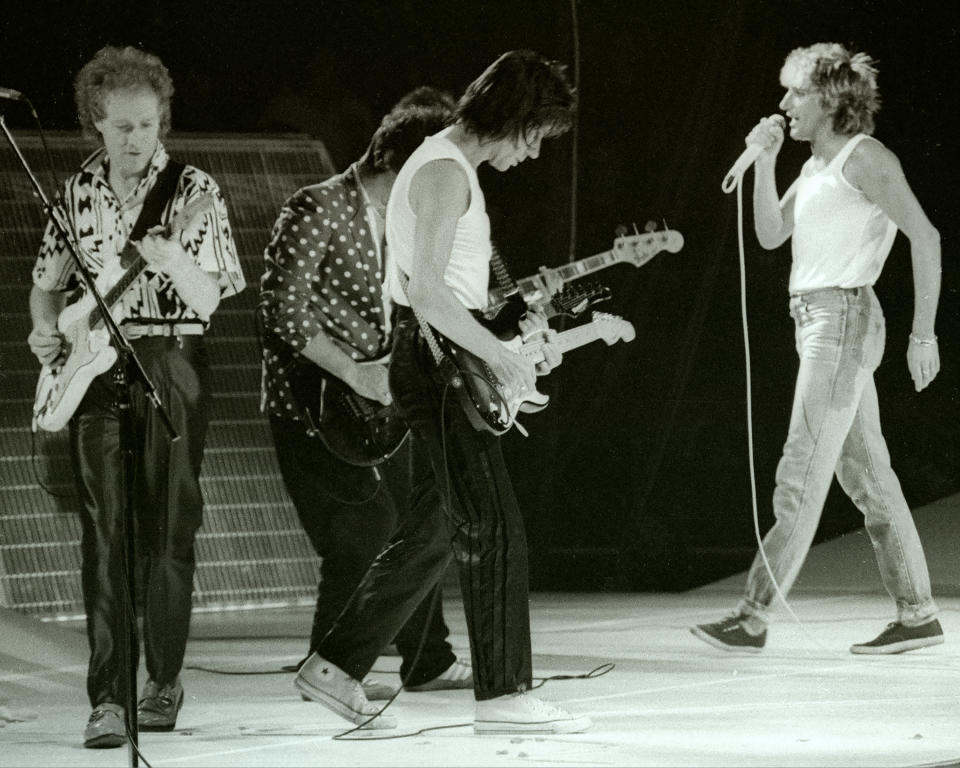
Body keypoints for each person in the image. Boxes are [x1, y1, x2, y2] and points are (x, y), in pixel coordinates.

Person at [294, 49, 591, 734]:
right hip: (435, 362)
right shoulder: (440, 170)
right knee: (495, 526)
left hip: (438, 357)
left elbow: (448, 290)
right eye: (537, 137)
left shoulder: (448, 168)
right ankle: (506, 695)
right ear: (514, 118)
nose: (536, 154)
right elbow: (426, 292)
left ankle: (335, 665)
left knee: (435, 527)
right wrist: (501, 358)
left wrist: (508, 341)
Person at [691, 43, 943, 655]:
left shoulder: (866, 158)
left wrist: (923, 332)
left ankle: (752, 616)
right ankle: (918, 615)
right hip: (815, 321)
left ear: (831, 99)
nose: (783, 104)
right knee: (868, 478)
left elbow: (926, 236)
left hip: (844, 319)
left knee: (801, 471)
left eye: (795, 93)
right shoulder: (812, 169)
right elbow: (771, 234)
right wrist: (763, 162)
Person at [28, 46, 245, 748]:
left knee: (171, 527)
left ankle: (163, 682)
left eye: (147, 125)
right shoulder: (76, 191)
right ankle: (108, 699)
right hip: (94, 367)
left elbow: (211, 300)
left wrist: (175, 259)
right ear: (97, 122)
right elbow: (47, 281)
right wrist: (41, 331)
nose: (135, 140)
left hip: (172, 357)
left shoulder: (195, 192)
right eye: (121, 126)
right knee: (103, 532)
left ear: (162, 120)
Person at [258, 95, 475, 700]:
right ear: (400, 163)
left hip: (382, 408)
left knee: (416, 525)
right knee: (363, 531)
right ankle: (326, 666)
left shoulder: (407, 227)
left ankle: (426, 659)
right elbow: (281, 309)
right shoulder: (317, 206)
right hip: (316, 406)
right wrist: (356, 375)